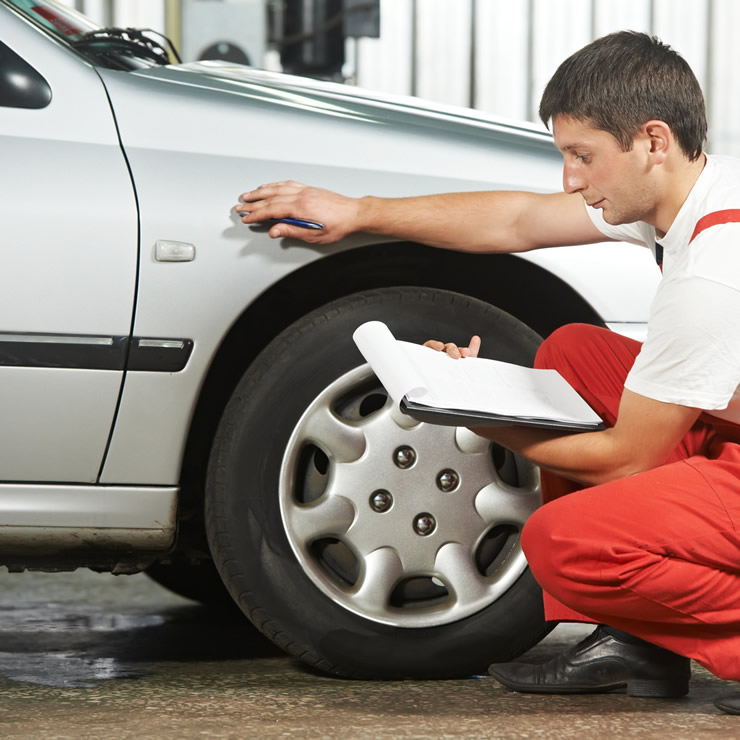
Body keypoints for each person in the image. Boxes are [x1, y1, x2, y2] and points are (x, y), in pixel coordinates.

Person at [235, 31, 740, 715]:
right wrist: (360, 214)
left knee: (563, 544)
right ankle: (638, 641)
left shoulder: (714, 266)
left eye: (582, 157)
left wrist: (482, 416)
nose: (570, 180)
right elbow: (519, 220)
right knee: (573, 354)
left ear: (652, 140)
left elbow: (623, 460)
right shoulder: (692, 193)